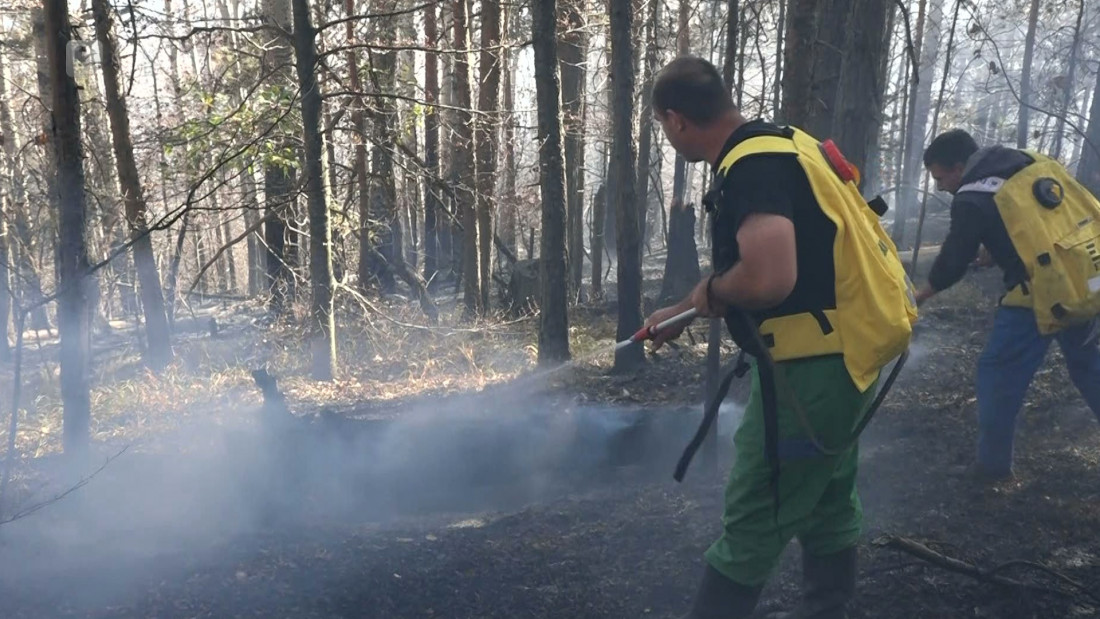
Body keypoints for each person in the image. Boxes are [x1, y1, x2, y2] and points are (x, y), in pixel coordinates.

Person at [643, 56, 915, 619]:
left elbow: (769, 277)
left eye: (664, 128)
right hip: (843, 358)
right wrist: (685, 308)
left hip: (808, 370)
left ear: (675, 120)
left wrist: (715, 291)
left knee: (755, 515)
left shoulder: (751, 165)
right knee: (827, 500)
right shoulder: (788, 144)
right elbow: (800, 268)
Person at [914, 128, 1100, 481]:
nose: (940, 186)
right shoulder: (1027, 162)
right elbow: (1042, 221)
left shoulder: (971, 195)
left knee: (997, 375)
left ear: (958, 167)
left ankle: (992, 468)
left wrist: (925, 292)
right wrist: (1000, 249)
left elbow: (955, 257)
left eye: (940, 177)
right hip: (1084, 282)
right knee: (1089, 368)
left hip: (1039, 296)